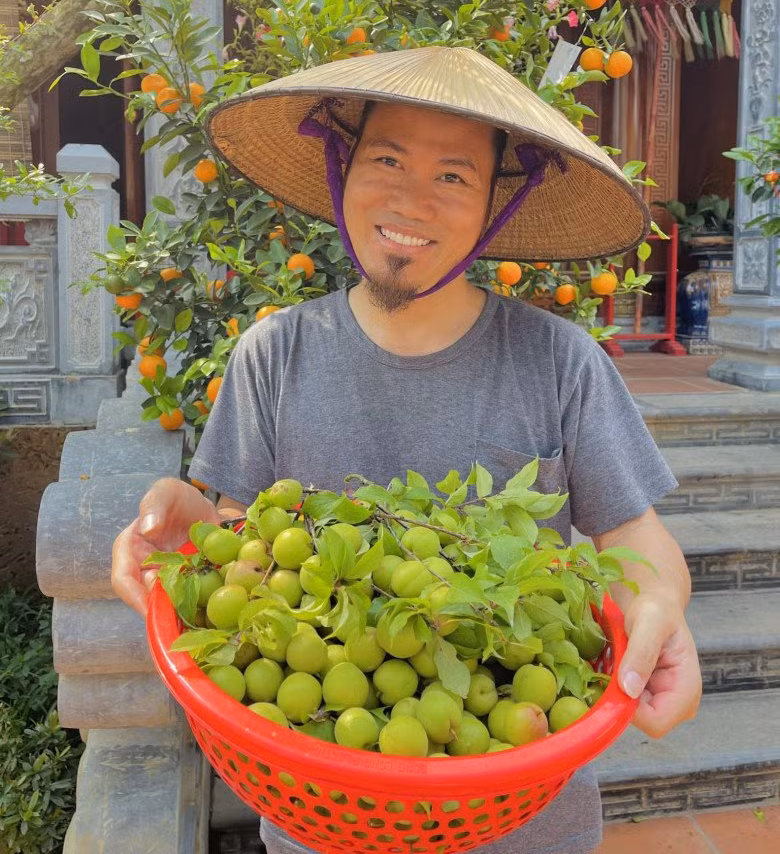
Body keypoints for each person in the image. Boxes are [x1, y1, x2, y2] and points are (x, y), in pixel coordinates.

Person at [112, 45, 702, 854]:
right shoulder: (273, 354)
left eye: (453, 176)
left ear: (497, 203)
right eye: (386, 159)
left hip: (526, 828)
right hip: (318, 821)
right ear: (341, 170)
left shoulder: (561, 362)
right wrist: (192, 540)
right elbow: (248, 546)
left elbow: (638, 541)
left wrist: (662, 605)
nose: (411, 199)